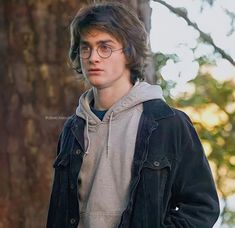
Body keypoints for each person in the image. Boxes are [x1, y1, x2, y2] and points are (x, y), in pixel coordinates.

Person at [46, 2, 220, 228]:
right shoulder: (72, 128)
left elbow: (201, 207)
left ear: (129, 52)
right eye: (85, 47)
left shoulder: (168, 123)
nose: (93, 57)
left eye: (105, 47)